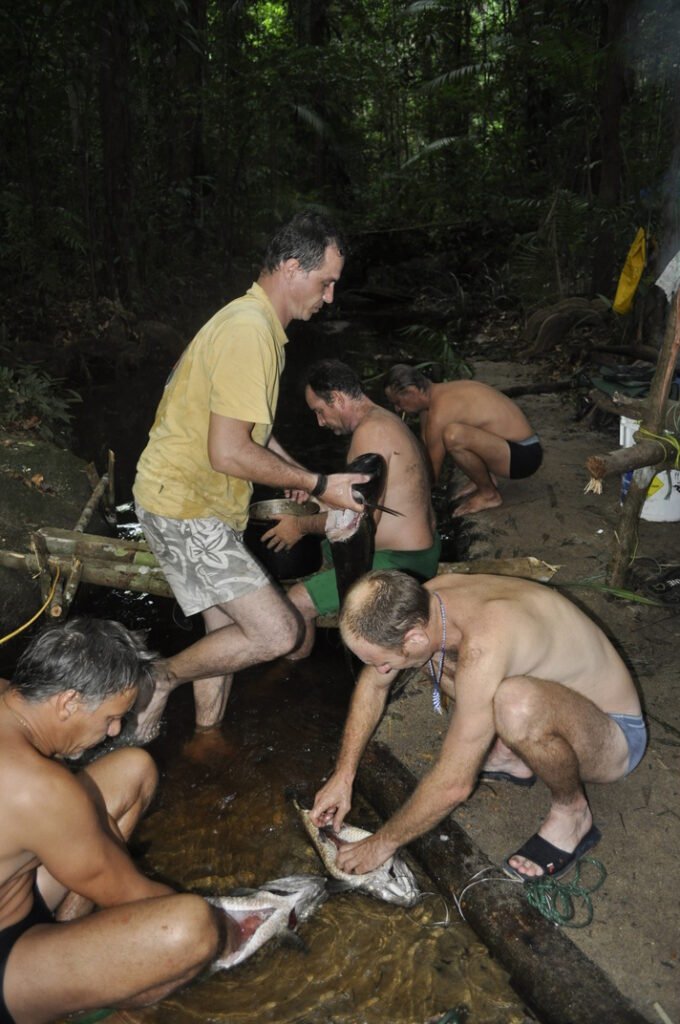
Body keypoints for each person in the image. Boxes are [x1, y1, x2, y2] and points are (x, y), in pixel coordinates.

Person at [132, 212, 370, 743]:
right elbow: (228, 452)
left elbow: (247, 432)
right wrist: (316, 485)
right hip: (186, 503)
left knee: (225, 630)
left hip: (189, 498)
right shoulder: (250, 333)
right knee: (278, 632)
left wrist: (293, 471)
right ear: (291, 267)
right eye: (325, 282)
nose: (329, 297)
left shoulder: (254, 323)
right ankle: (157, 677)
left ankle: (206, 737)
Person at [0, 617, 264, 1024]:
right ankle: (83, 1007)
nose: (115, 729)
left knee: (134, 768)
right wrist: (234, 929)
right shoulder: (41, 791)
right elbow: (133, 897)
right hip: (7, 960)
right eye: (111, 716)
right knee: (192, 929)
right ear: (68, 702)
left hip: (20, 893)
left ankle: (68, 934)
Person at [311, 569, 646, 881]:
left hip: (613, 736)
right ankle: (513, 755)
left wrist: (381, 843)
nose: (380, 670)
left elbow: (455, 785)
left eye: (380, 661)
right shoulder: (423, 605)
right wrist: (344, 774)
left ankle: (573, 813)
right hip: (555, 697)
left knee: (515, 704)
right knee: (440, 658)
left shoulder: (483, 645)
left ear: (412, 637)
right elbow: (373, 685)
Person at [262, 359, 441, 659]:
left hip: (402, 562)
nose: (320, 422)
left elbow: (357, 522)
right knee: (317, 550)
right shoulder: (382, 420)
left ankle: (291, 672)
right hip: (417, 547)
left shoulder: (371, 435)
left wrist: (299, 525)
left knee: (294, 605)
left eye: (320, 411)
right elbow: (363, 501)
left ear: (339, 398)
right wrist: (312, 495)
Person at [384, 364, 543, 516]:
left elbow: (432, 474)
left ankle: (489, 495)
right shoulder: (433, 401)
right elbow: (426, 448)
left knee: (453, 436)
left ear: (412, 392)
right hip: (509, 447)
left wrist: (400, 496)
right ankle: (483, 478)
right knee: (455, 433)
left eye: (398, 402)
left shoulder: (440, 411)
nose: (398, 409)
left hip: (524, 456)